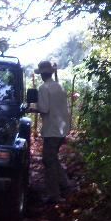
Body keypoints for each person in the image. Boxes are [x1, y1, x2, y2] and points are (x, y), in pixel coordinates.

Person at [30, 60, 72, 204]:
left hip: (52, 130)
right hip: (62, 128)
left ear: (42, 75)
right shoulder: (59, 86)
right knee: (52, 158)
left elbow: (44, 108)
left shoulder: (44, 88)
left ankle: (54, 194)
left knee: (48, 160)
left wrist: (32, 108)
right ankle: (66, 185)